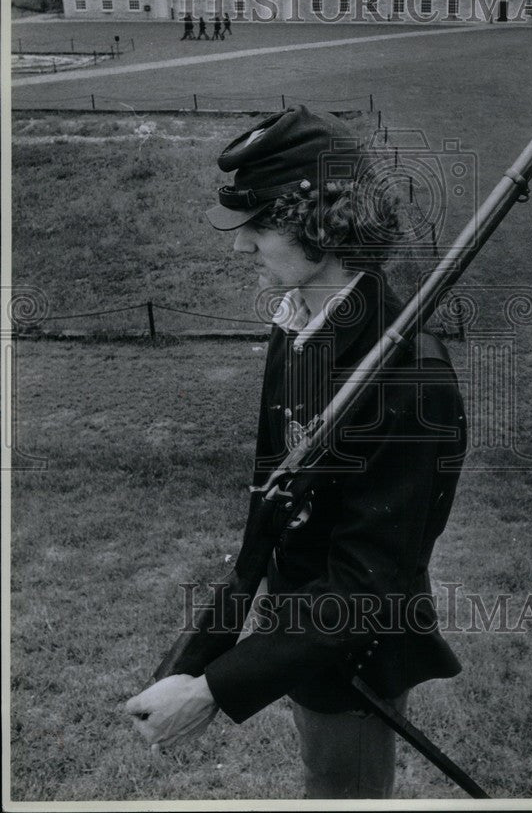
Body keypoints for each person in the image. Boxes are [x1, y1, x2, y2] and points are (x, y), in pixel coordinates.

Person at [125, 106, 467, 799]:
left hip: (352, 661)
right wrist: (195, 659)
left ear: (322, 224)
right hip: (295, 639)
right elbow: (270, 508)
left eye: (256, 225)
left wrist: (215, 691)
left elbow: (368, 590)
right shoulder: (296, 325)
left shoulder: (412, 377)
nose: (239, 245)